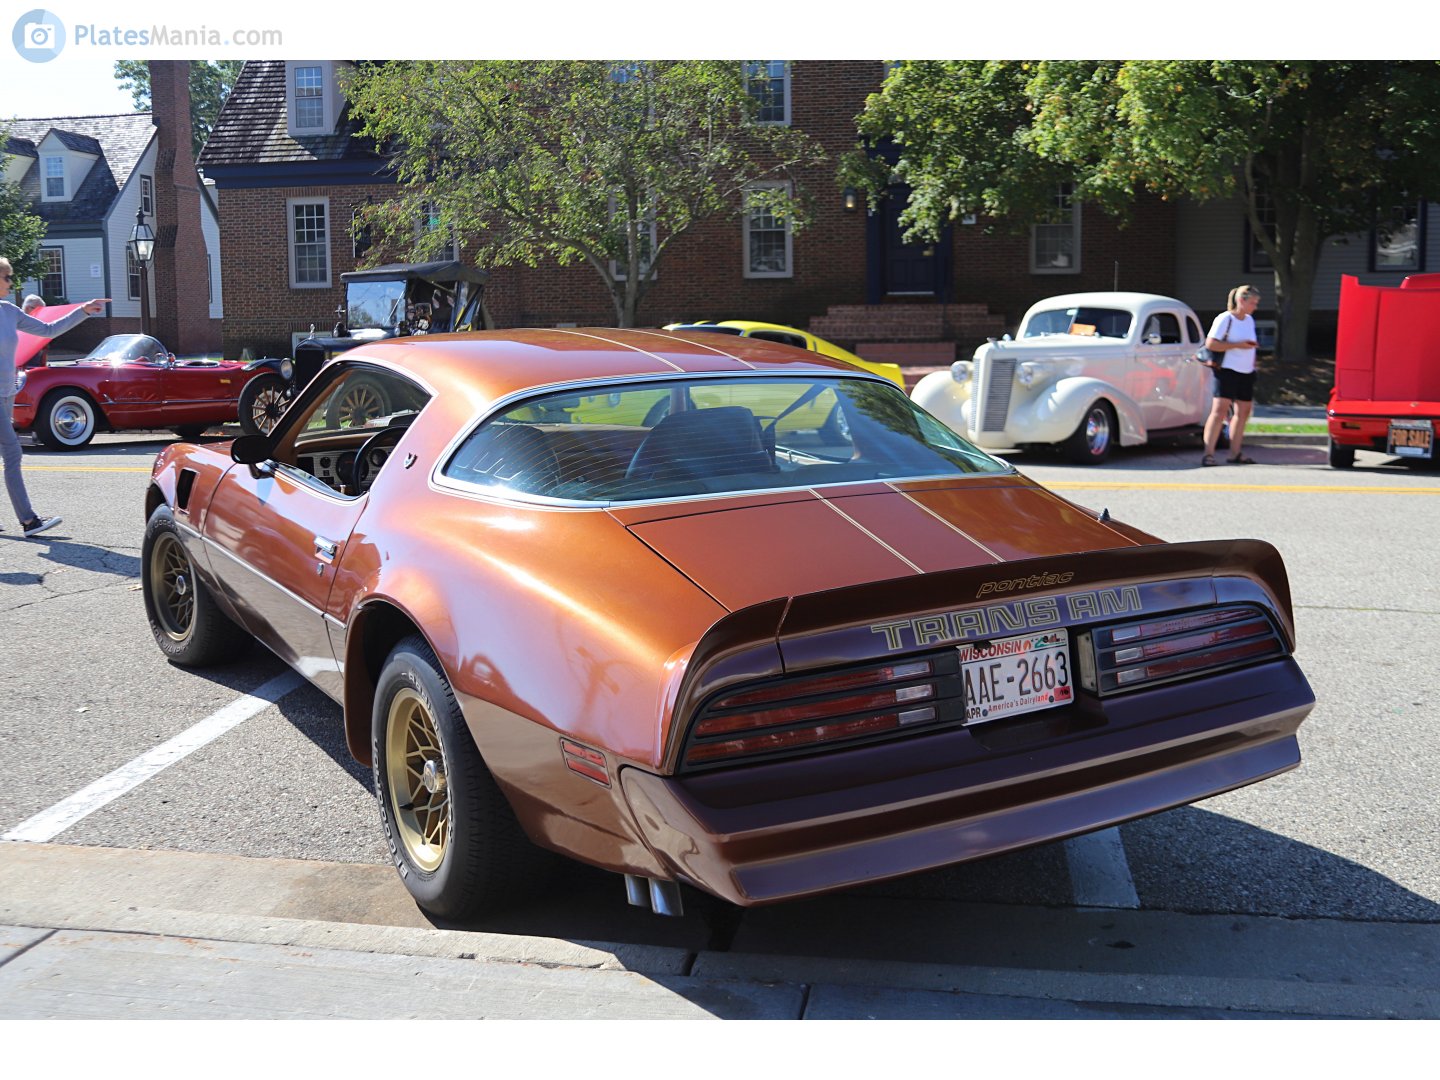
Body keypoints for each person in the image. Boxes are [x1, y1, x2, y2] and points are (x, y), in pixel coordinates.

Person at [1, 256, 109, 536]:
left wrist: (83, 311)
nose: (11, 283)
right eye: (7, 278)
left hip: (6, 393)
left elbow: (48, 330)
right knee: (12, 452)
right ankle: (29, 521)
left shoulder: (9, 312)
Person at [1200, 284, 1262, 466]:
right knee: (1219, 412)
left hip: (1246, 372)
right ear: (1241, 300)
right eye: (1253, 302)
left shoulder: (1249, 320)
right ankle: (1208, 454)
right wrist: (1238, 345)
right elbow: (1211, 344)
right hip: (1226, 371)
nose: (1255, 307)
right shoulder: (1225, 319)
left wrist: (1252, 359)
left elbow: (1250, 344)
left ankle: (1235, 453)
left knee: (1243, 412)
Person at [20, 295, 48, 368]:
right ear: (27, 308)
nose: (41, 313)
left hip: (37, 367)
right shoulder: (18, 323)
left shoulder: (38, 323)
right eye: (39, 310)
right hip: (23, 368)